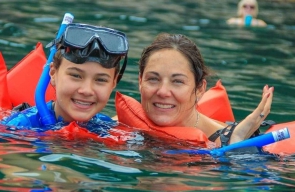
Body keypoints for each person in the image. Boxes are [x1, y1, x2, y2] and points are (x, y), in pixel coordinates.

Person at [115, 33, 273, 147]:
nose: (163, 92)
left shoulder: (228, 139)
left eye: (177, 81)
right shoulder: (118, 124)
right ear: (140, 81)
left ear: (199, 89)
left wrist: (234, 148)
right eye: (153, 79)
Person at [1, 23, 129, 130]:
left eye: (100, 80)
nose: (86, 90)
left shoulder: (106, 128)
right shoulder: (19, 127)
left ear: (113, 83)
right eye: (76, 75)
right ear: (52, 73)